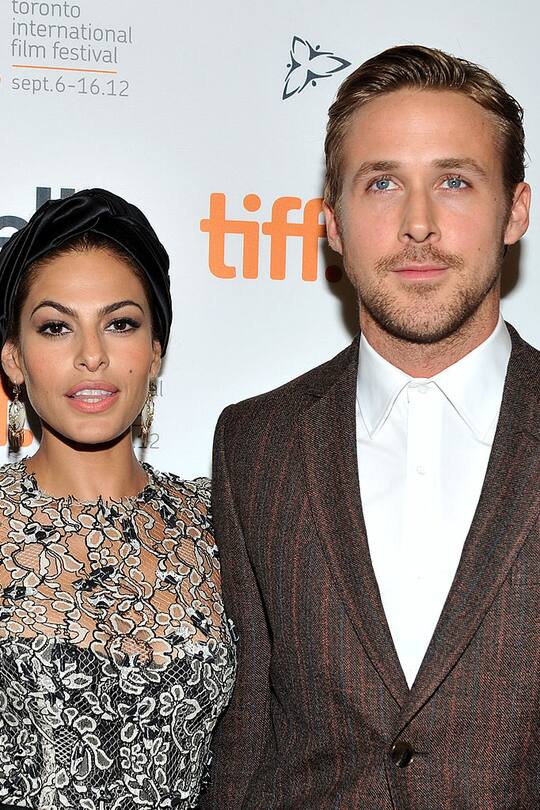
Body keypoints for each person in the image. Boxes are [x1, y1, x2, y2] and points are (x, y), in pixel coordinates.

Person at [202, 45, 537, 808]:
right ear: (332, 223)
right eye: (381, 183)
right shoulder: (256, 446)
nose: (418, 224)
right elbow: (247, 742)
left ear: (516, 209)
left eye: (454, 181)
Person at [0, 189, 236, 810]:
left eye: (120, 323)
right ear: (14, 359)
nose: (91, 356)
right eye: (56, 327)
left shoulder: (223, 523)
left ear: (155, 350)